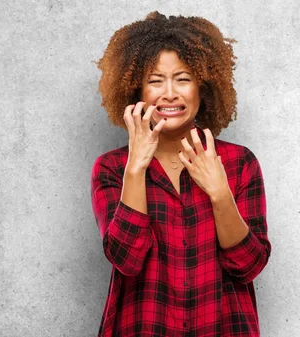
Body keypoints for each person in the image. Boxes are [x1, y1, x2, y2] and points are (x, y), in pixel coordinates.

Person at [90, 12, 271, 337]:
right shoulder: (111, 169)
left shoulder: (239, 163)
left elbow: (248, 265)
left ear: (204, 87)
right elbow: (125, 259)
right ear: (136, 90)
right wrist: (136, 167)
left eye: (183, 79)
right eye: (155, 80)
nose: (169, 93)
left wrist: (219, 193)